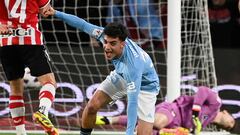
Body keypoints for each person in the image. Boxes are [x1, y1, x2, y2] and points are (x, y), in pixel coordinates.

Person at [46, 7, 160, 135]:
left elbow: (132, 104)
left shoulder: (133, 65)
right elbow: (82, 24)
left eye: (112, 44)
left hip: (145, 86)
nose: (107, 47)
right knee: (91, 106)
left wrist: (129, 133)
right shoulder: (102, 34)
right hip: (121, 75)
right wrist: (55, 12)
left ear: (123, 44)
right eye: (105, 42)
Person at [0, 1, 58, 135]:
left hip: (6, 40)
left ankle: (20, 133)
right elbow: (46, 11)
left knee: (15, 88)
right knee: (49, 82)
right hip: (30, 39)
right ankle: (42, 111)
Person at [96, 86, 240, 135]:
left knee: (153, 130)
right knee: (158, 122)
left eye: (229, 127)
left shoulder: (201, 126)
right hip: (172, 110)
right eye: (231, 122)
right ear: (227, 113)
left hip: (173, 124)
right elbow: (203, 91)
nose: (228, 124)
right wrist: (196, 110)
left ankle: (110, 119)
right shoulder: (216, 104)